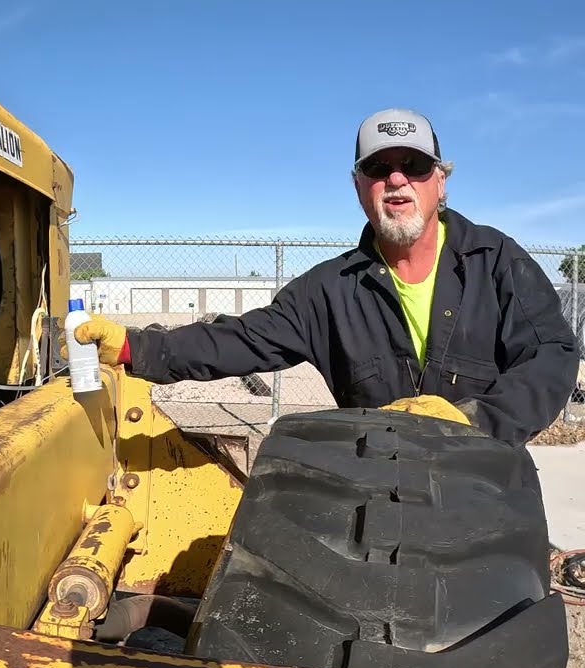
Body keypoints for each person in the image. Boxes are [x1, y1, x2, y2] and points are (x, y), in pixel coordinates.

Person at [72, 108, 579, 446]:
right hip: (379, 493)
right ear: (358, 185)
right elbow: (239, 339)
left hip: (484, 484)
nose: (397, 179)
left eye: (415, 166)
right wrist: (134, 348)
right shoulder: (330, 291)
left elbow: (553, 356)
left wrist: (473, 420)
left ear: (440, 182)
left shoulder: (496, 262)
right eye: (379, 167)